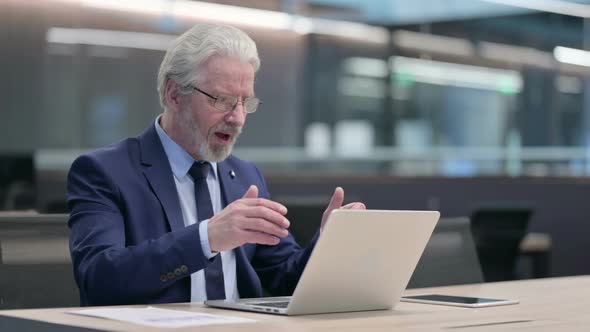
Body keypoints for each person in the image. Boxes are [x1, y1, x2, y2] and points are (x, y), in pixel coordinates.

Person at [67, 23, 365, 306]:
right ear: (174, 94)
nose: (237, 118)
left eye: (245, 102)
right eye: (221, 100)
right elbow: (98, 278)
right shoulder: (105, 171)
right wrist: (206, 238)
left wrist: (329, 245)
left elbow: (286, 278)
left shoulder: (245, 176)